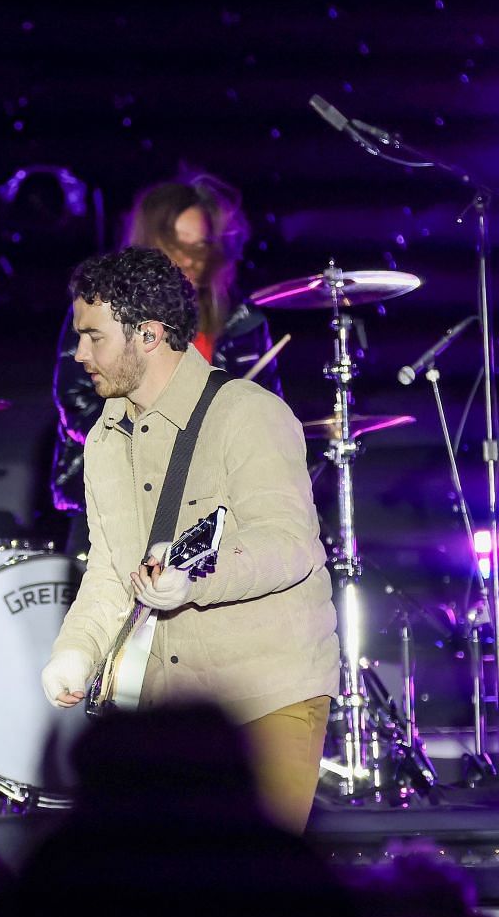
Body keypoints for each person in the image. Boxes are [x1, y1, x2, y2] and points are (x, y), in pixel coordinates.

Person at [39, 248, 338, 831]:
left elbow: (289, 544)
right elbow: (109, 571)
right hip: (167, 713)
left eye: (93, 337)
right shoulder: (103, 438)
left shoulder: (248, 414)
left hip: (264, 697)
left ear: (148, 336)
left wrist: (194, 579)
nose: (79, 354)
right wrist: (74, 653)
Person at [50, 171, 278, 547]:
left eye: (201, 246)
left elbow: (264, 411)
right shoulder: (100, 308)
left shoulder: (240, 320)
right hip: (116, 498)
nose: (190, 259)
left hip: (211, 504)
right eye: (176, 244)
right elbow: (78, 405)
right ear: (148, 244)